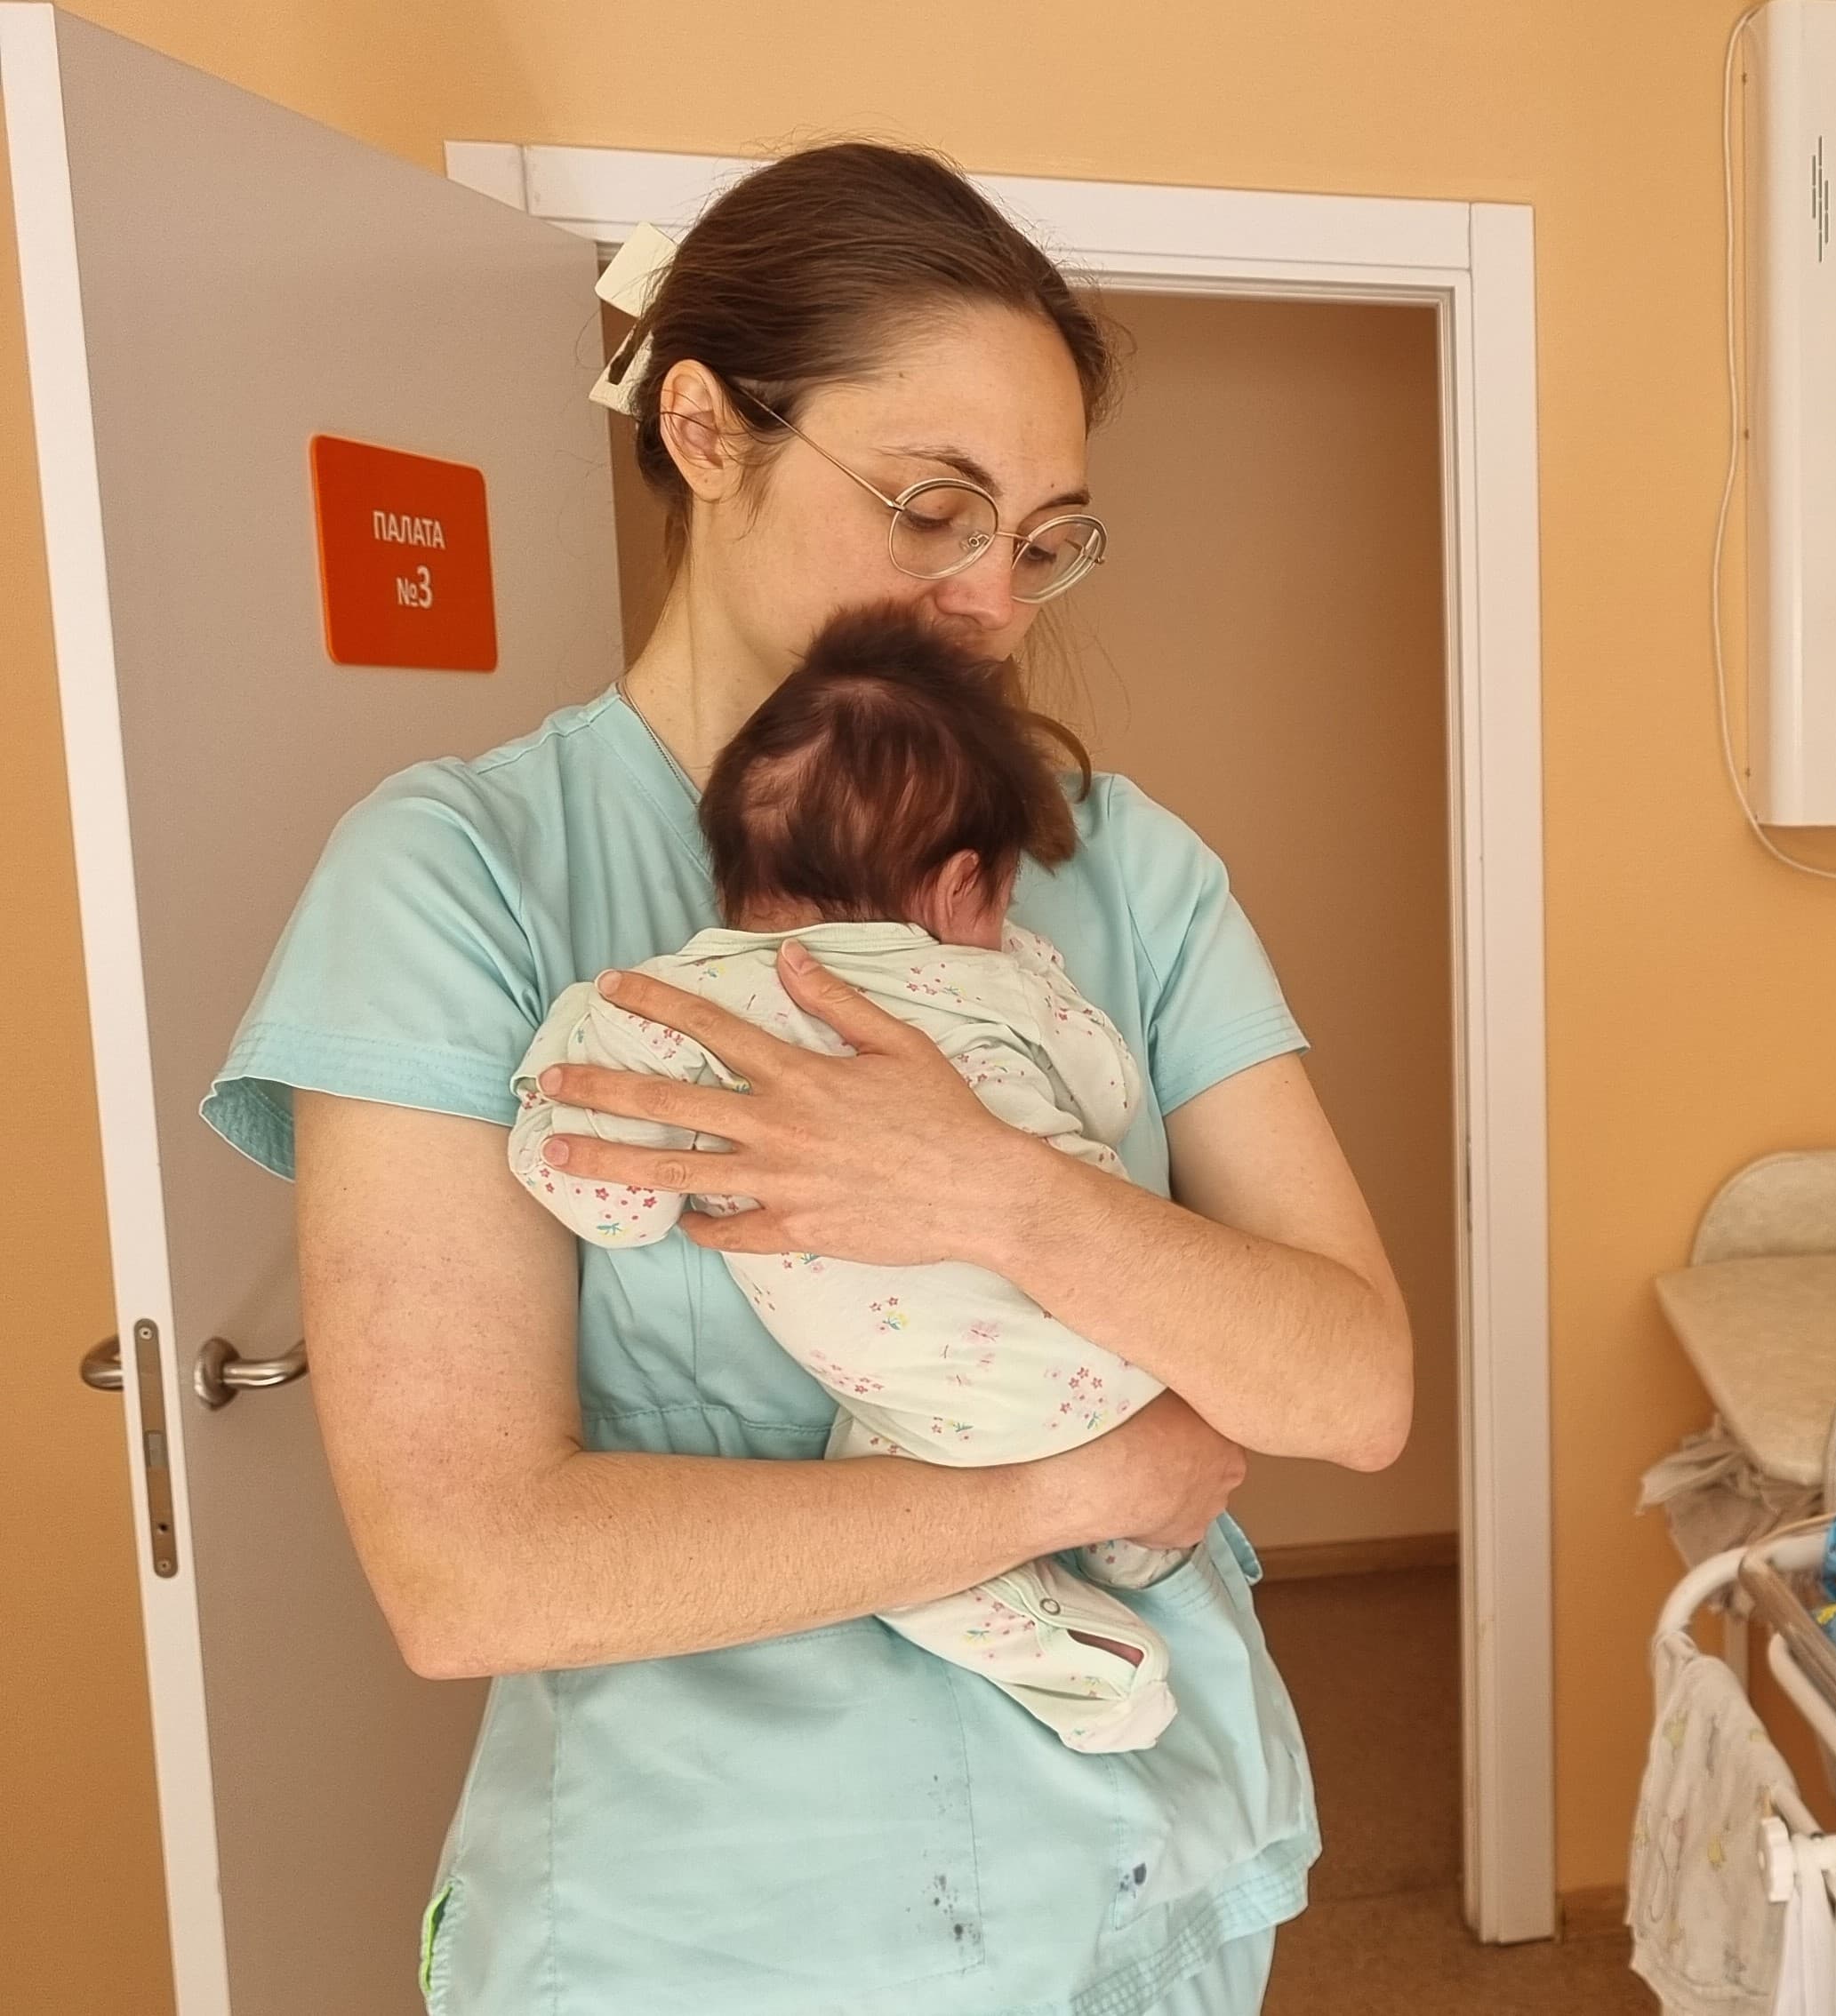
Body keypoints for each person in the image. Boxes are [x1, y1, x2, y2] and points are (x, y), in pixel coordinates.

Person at [201, 140, 1410, 2013]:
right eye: (933, 507)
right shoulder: (459, 877)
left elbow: (1355, 1384)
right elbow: (474, 1568)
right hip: (709, 1939)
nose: (990, 595)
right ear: (705, 430)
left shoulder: (1116, 865)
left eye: (1043, 538)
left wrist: (995, 1190)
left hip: (1137, 1888)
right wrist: (1075, 1483)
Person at [509, 604, 1202, 1756]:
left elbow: (613, 1205)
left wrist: (551, 1103)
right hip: (1125, 1343)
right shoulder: (1008, 979)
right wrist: (1027, 992)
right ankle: (1140, 1542)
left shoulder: (673, 1009)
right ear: (967, 884)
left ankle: (1092, 1664)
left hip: (937, 1407)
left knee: (896, 1545)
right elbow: (1111, 1095)